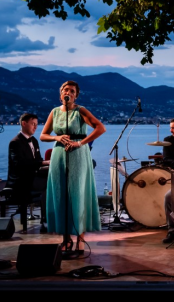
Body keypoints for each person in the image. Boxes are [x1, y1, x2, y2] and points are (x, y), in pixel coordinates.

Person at [40, 80, 106, 252]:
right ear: (60, 93)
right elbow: (43, 135)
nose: (67, 92)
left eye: (71, 90)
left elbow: (100, 128)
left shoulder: (80, 111)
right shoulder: (54, 112)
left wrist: (80, 143)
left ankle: (81, 240)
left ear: (76, 95)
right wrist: (56, 138)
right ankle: (65, 239)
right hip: (59, 154)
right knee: (61, 195)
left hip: (77, 154)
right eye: (65, 89)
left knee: (78, 194)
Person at [7, 113, 50, 232]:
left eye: (36, 124)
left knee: (52, 176)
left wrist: (46, 163)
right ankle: (47, 217)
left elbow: (38, 160)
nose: (35, 127)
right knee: (49, 182)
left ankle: (51, 216)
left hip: (31, 176)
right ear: (24, 124)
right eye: (33, 124)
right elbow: (20, 164)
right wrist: (43, 164)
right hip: (20, 180)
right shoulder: (15, 142)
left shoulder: (34, 141)